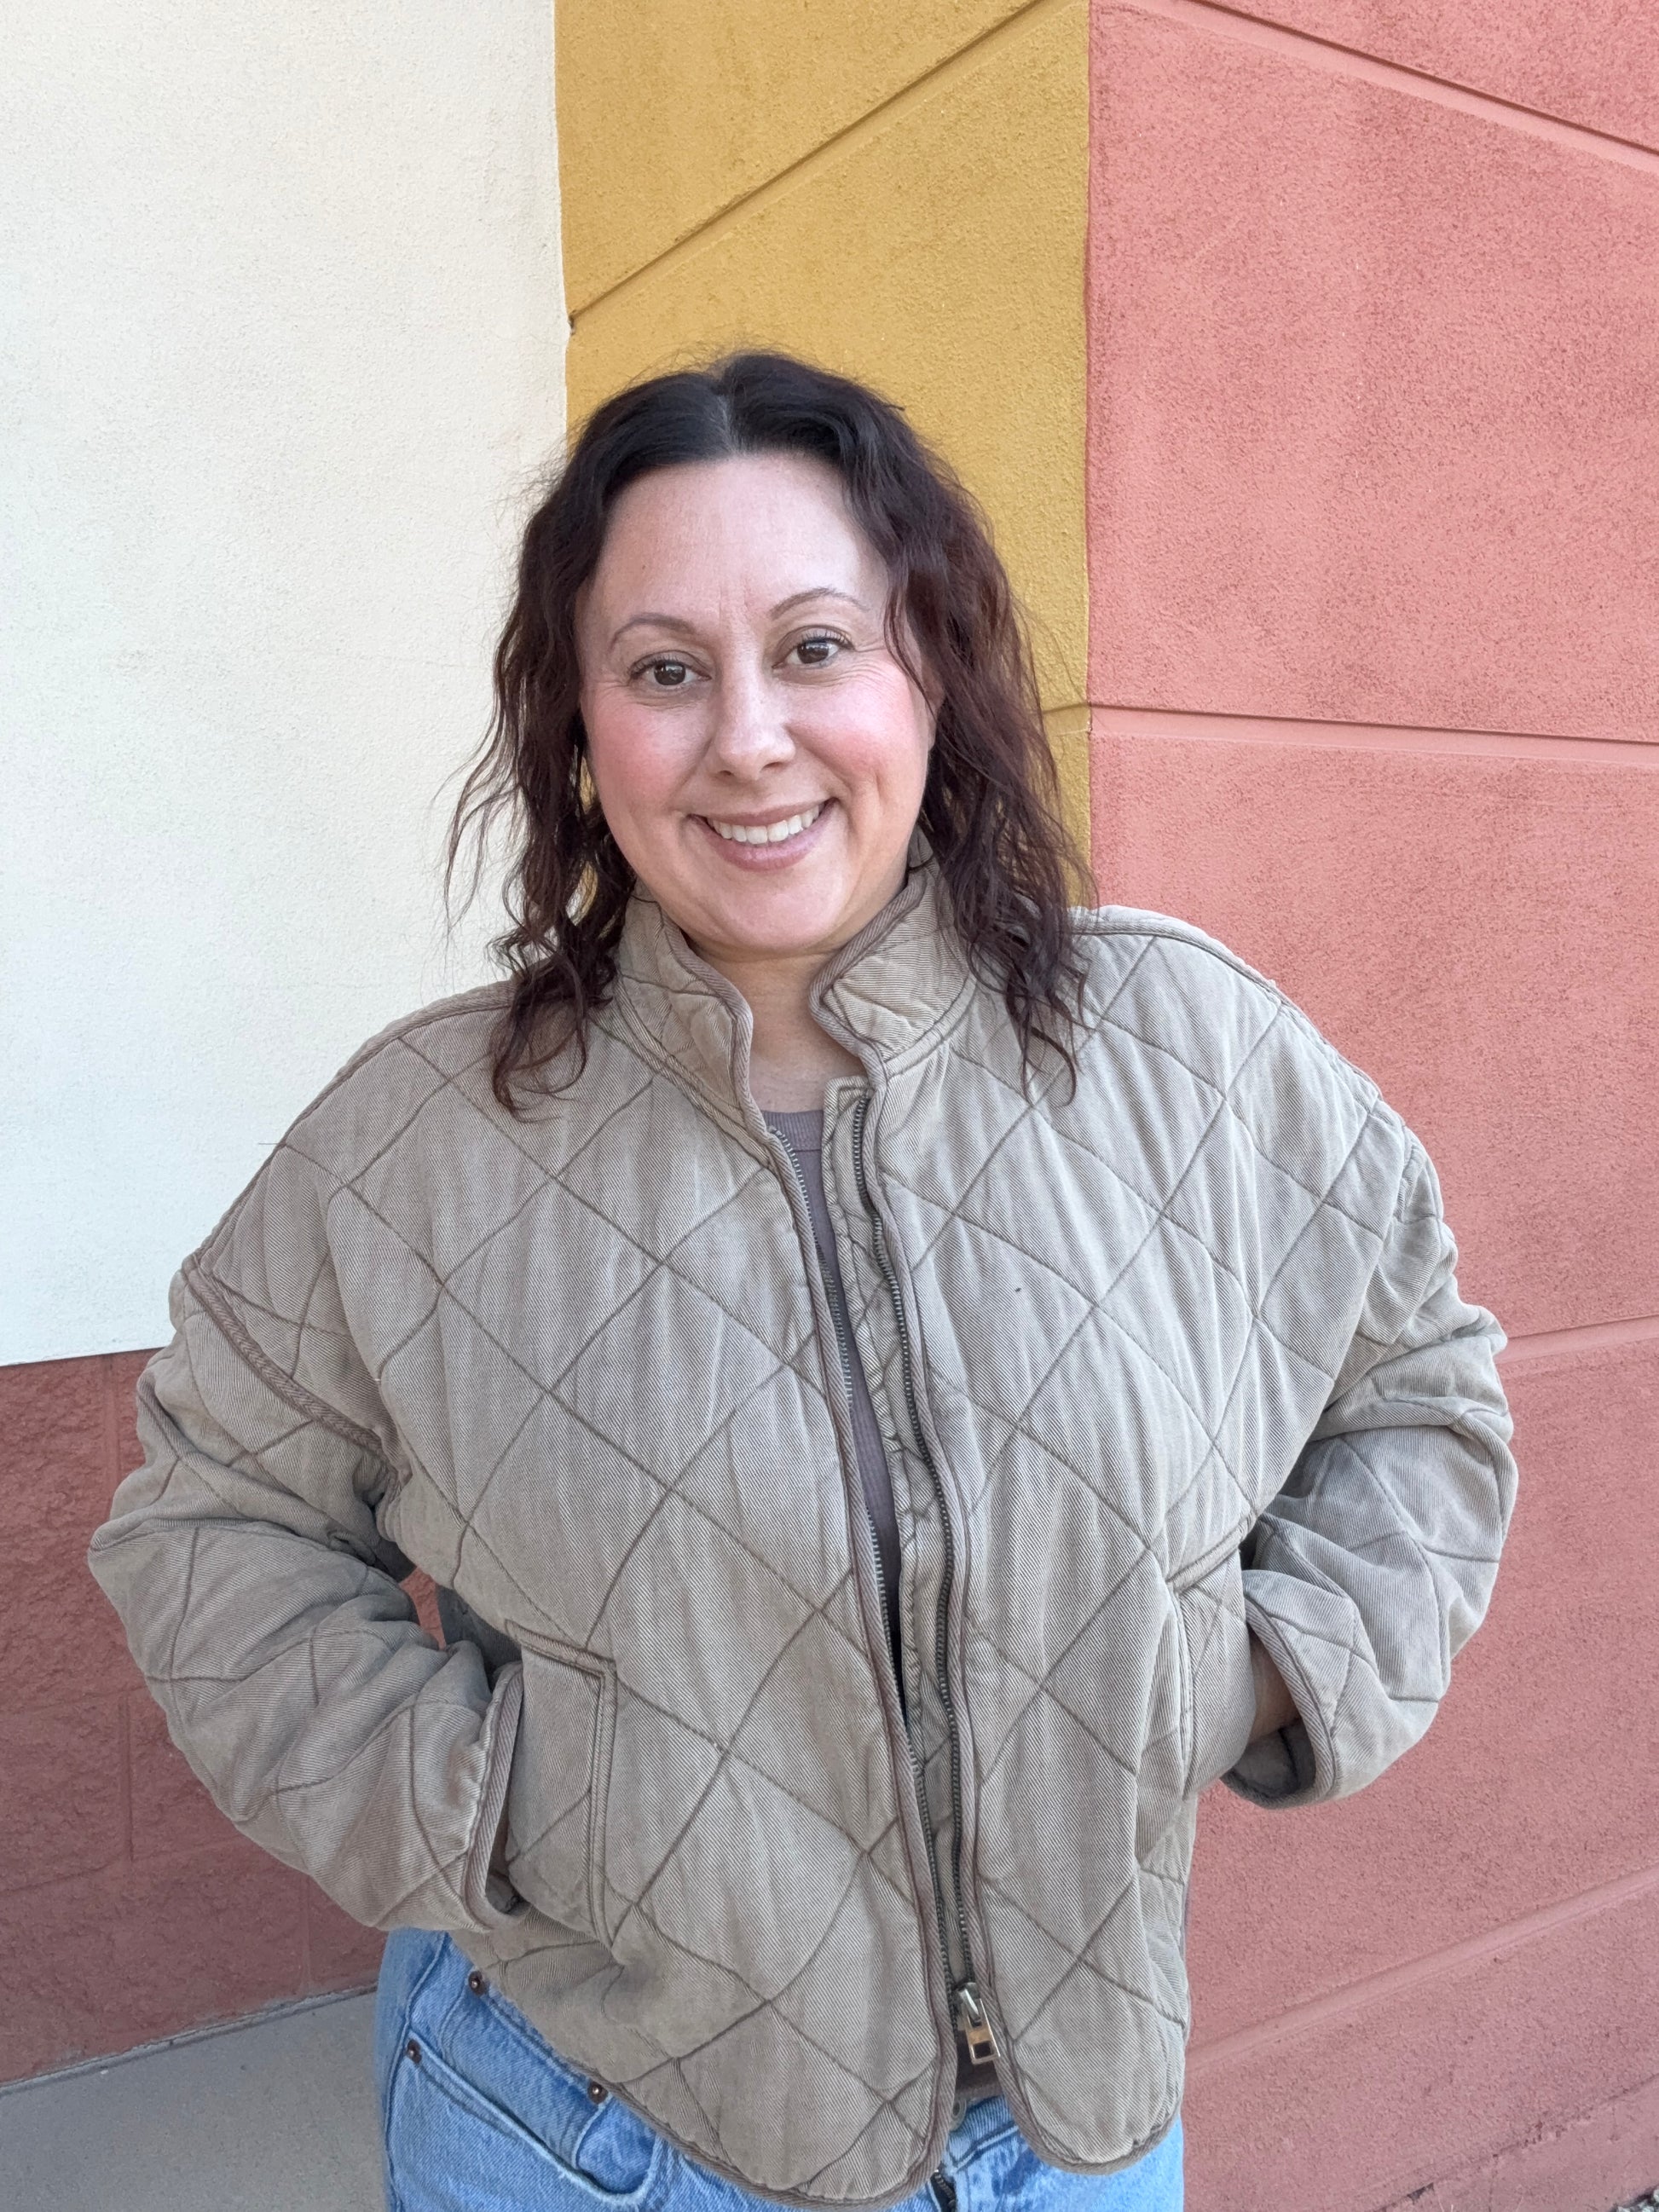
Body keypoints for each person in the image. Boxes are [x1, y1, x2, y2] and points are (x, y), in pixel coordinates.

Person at [90, 352, 1517, 2212]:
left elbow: (1416, 1388)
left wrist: (1235, 1673)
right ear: (582, 727)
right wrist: (510, 1800)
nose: (748, 735)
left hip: (1079, 2144)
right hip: (593, 2136)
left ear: (929, 671)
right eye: (666, 668)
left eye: (818, 645)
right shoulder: (415, 1146)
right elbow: (208, 1526)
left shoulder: (1192, 1052)